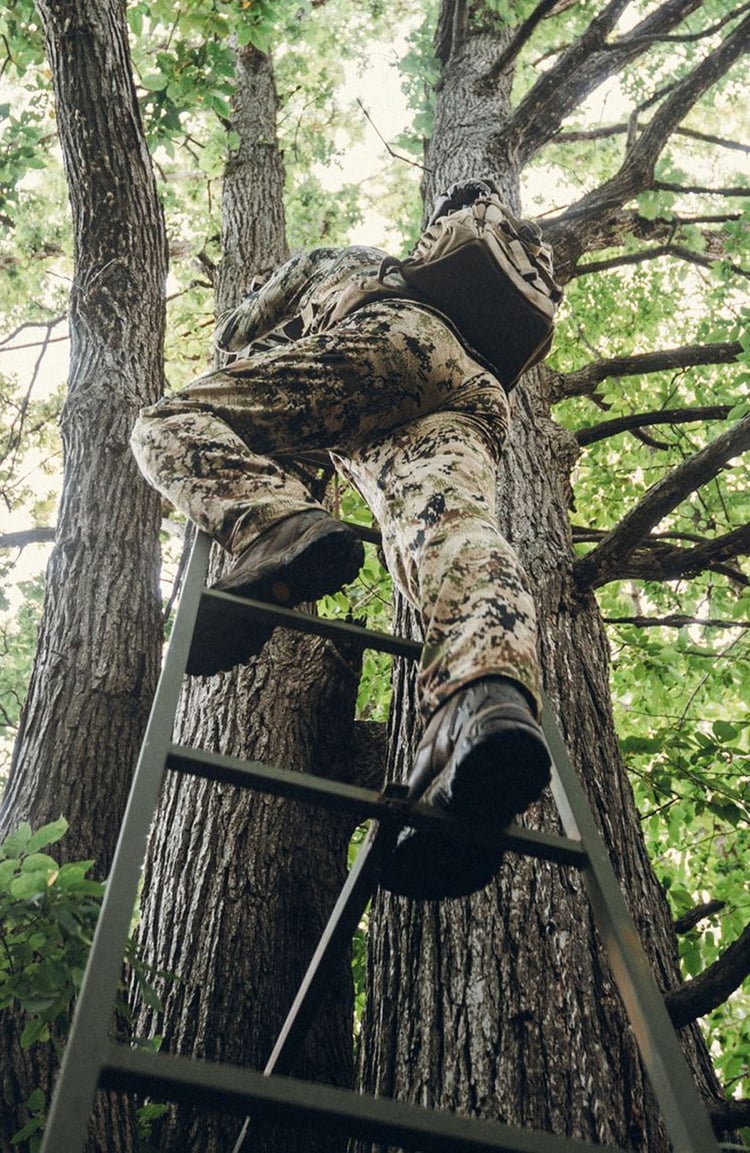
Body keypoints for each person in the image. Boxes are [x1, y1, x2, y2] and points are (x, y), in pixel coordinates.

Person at [130, 178, 553, 900]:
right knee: (453, 532)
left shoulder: (336, 260)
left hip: (388, 344)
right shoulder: (439, 286)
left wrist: (252, 333)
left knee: (166, 424)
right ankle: (483, 702)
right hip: (479, 393)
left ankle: (273, 523)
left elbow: (236, 334)